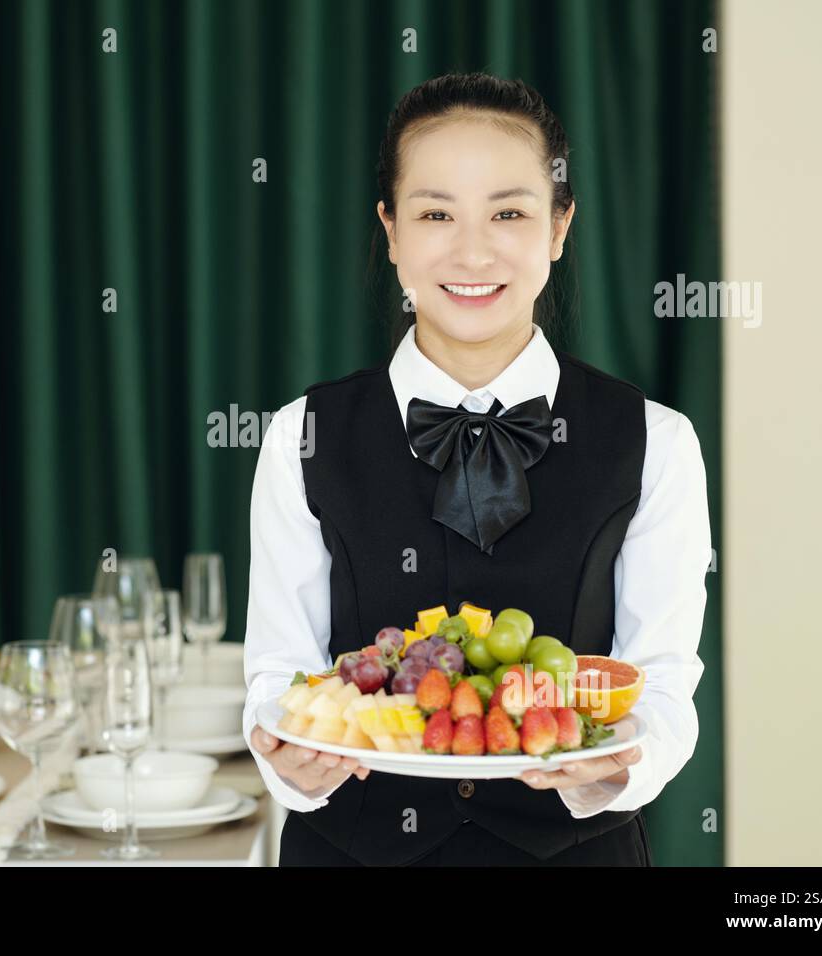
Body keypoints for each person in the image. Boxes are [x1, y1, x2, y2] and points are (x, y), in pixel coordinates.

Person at [243, 72, 710, 866]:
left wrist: (605, 778)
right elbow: (277, 677)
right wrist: (293, 774)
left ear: (559, 227)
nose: (471, 250)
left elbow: (662, 681)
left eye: (509, 213)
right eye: (434, 214)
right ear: (390, 231)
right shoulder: (300, 435)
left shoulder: (657, 440)